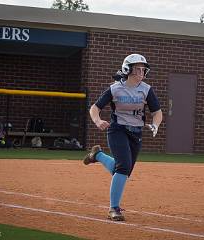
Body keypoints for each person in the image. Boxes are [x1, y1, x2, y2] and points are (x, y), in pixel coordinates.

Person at [83, 53, 163, 221]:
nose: (142, 72)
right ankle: (114, 208)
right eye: (138, 69)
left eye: (144, 69)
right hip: (117, 130)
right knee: (123, 167)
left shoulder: (146, 90)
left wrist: (156, 124)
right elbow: (95, 108)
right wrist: (97, 121)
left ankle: (97, 155)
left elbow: (157, 112)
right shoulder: (115, 88)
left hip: (136, 133)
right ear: (128, 69)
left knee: (123, 170)